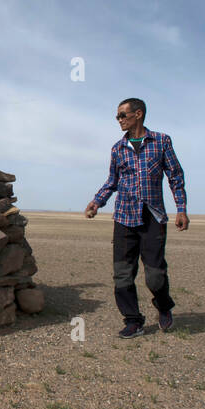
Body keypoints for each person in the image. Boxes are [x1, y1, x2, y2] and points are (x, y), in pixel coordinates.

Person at [84, 98, 188, 338]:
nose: (119, 120)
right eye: (117, 116)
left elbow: (175, 177)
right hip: (123, 218)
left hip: (152, 217)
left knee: (155, 275)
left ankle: (163, 306)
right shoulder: (117, 149)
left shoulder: (161, 141)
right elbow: (112, 181)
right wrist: (97, 201)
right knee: (122, 274)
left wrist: (181, 208)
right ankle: (133, 320)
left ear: (138, 114)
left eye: (122, 115)